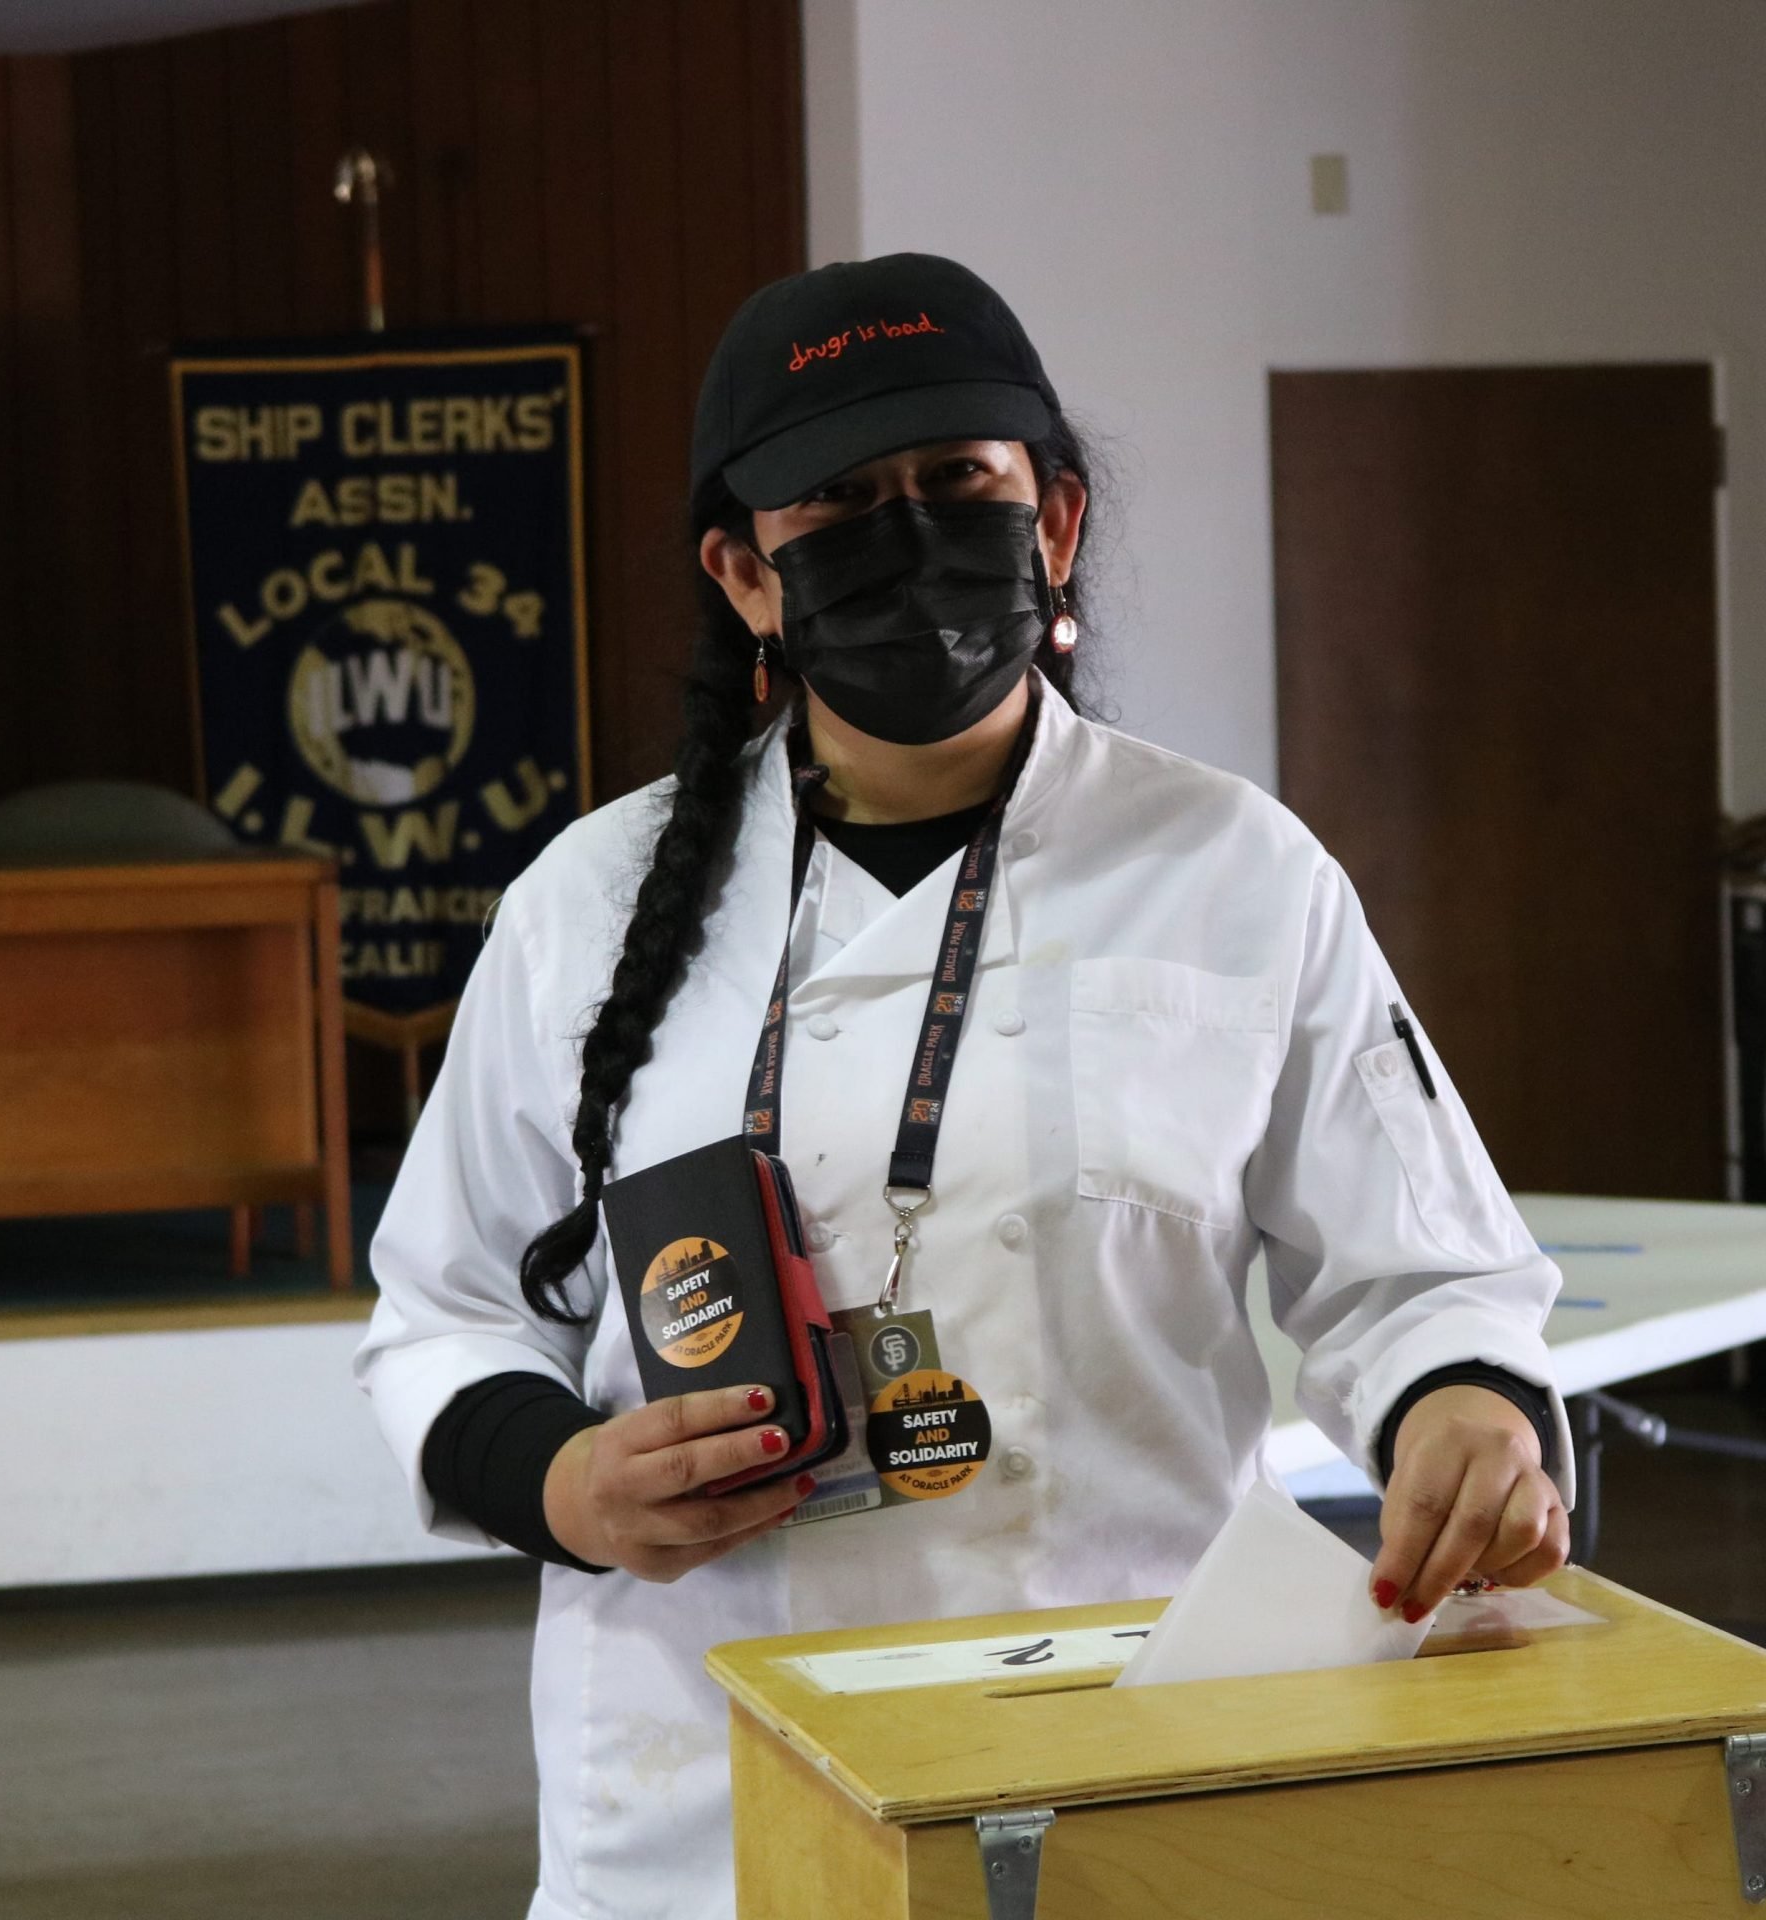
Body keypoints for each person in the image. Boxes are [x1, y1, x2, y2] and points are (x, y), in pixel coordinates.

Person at [357, 252, 1574, 1920]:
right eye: (843, 506)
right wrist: (564, 1483)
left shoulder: (1234, 871)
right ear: (748, 575)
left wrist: (1467, 1409)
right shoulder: (588, 903)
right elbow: (444, 1311)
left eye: (958, 487)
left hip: (1140, 1747)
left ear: (1054, 523)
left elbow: (1425, 1270)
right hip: (709, 1786)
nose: (912, 538)